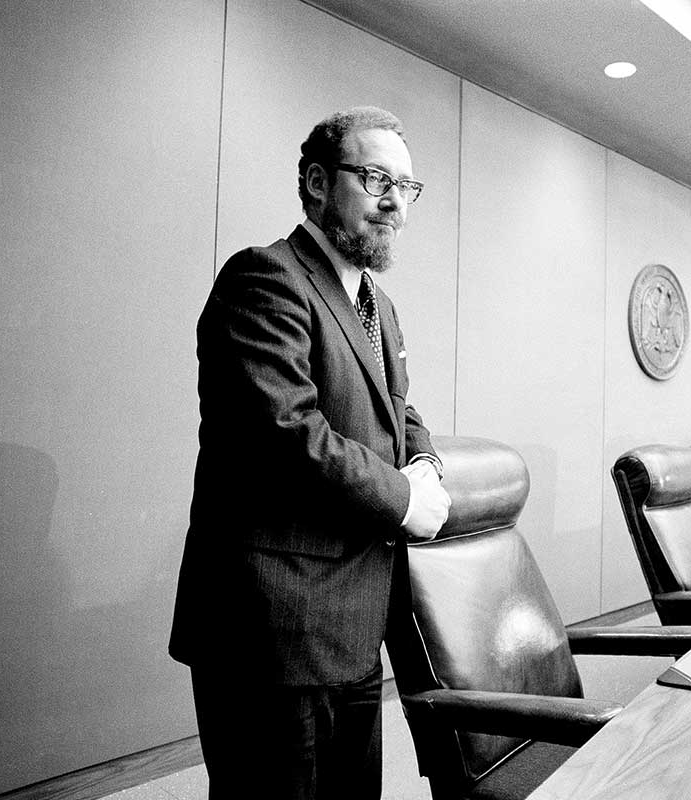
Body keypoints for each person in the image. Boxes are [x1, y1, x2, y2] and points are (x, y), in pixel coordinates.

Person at [168, 106, 451, 799]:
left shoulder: (377, 305)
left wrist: (425, 466)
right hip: (274, 628)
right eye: (376, 178)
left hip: (355, 619)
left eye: (406, 187)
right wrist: (405, 500)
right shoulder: (265, 279)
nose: (393, 203)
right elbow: (284, 431)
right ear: (318, 182)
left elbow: (398, 411)